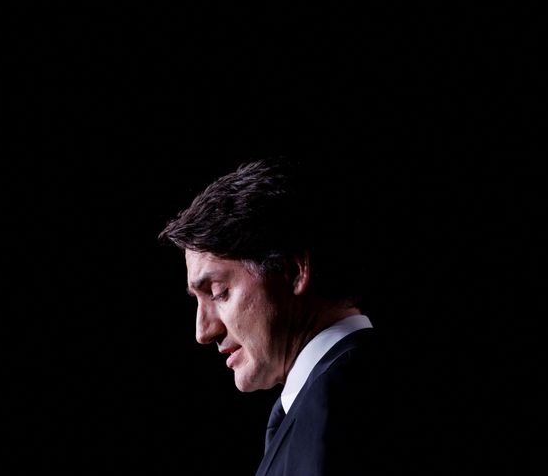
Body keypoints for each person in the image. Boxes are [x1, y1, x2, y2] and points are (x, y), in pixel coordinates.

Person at [158, 156, 401, 476]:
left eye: (218, 291)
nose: (203, 331)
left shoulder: (336, 410)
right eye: (198, 299)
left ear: (291, 272)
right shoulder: (335, 394)